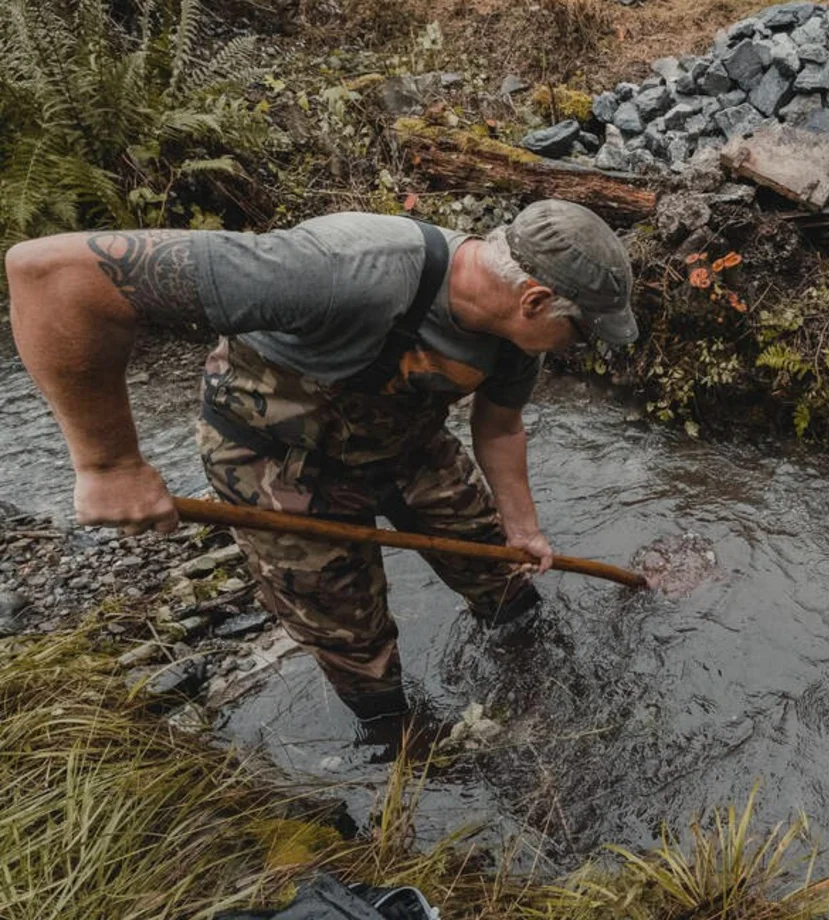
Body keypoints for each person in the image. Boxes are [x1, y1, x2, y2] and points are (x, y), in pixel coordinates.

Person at [6, 200, 637, 721]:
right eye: (581, 333)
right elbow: (52, 275)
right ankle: (399, 744)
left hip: (410, 445)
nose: (578, 348)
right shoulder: (340, 268)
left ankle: (530, 682)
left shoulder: (517, 340)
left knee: (504, 583)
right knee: (354, 640)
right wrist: (110, 465)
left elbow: (499, 428)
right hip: (277, 458)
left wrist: (523, 528)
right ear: (534, 300)